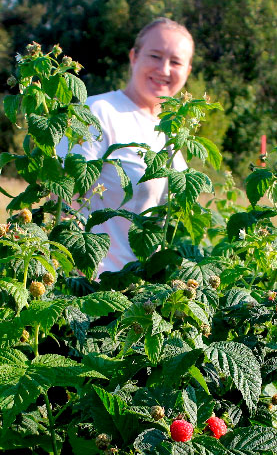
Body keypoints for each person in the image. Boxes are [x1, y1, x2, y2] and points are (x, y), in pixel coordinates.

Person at [60, 18, 194, 274]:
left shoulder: (172, 133)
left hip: (143, 297)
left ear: (187, 71)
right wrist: (80, 284)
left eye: (176, 62)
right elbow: (64, 204)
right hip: (96, 289)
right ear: (134, 57)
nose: (164, 69)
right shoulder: (99, 113)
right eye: (155, 56)